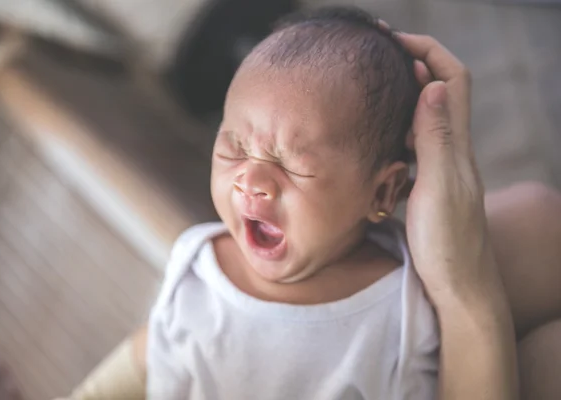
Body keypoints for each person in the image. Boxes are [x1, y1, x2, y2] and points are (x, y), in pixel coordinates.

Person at [47, 6, 556, 400]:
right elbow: (147, 357)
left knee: (540, 218)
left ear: (383, 192)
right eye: (233, 147)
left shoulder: (400, 303)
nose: (251, 180)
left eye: (293, 165)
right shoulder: (198, 267)